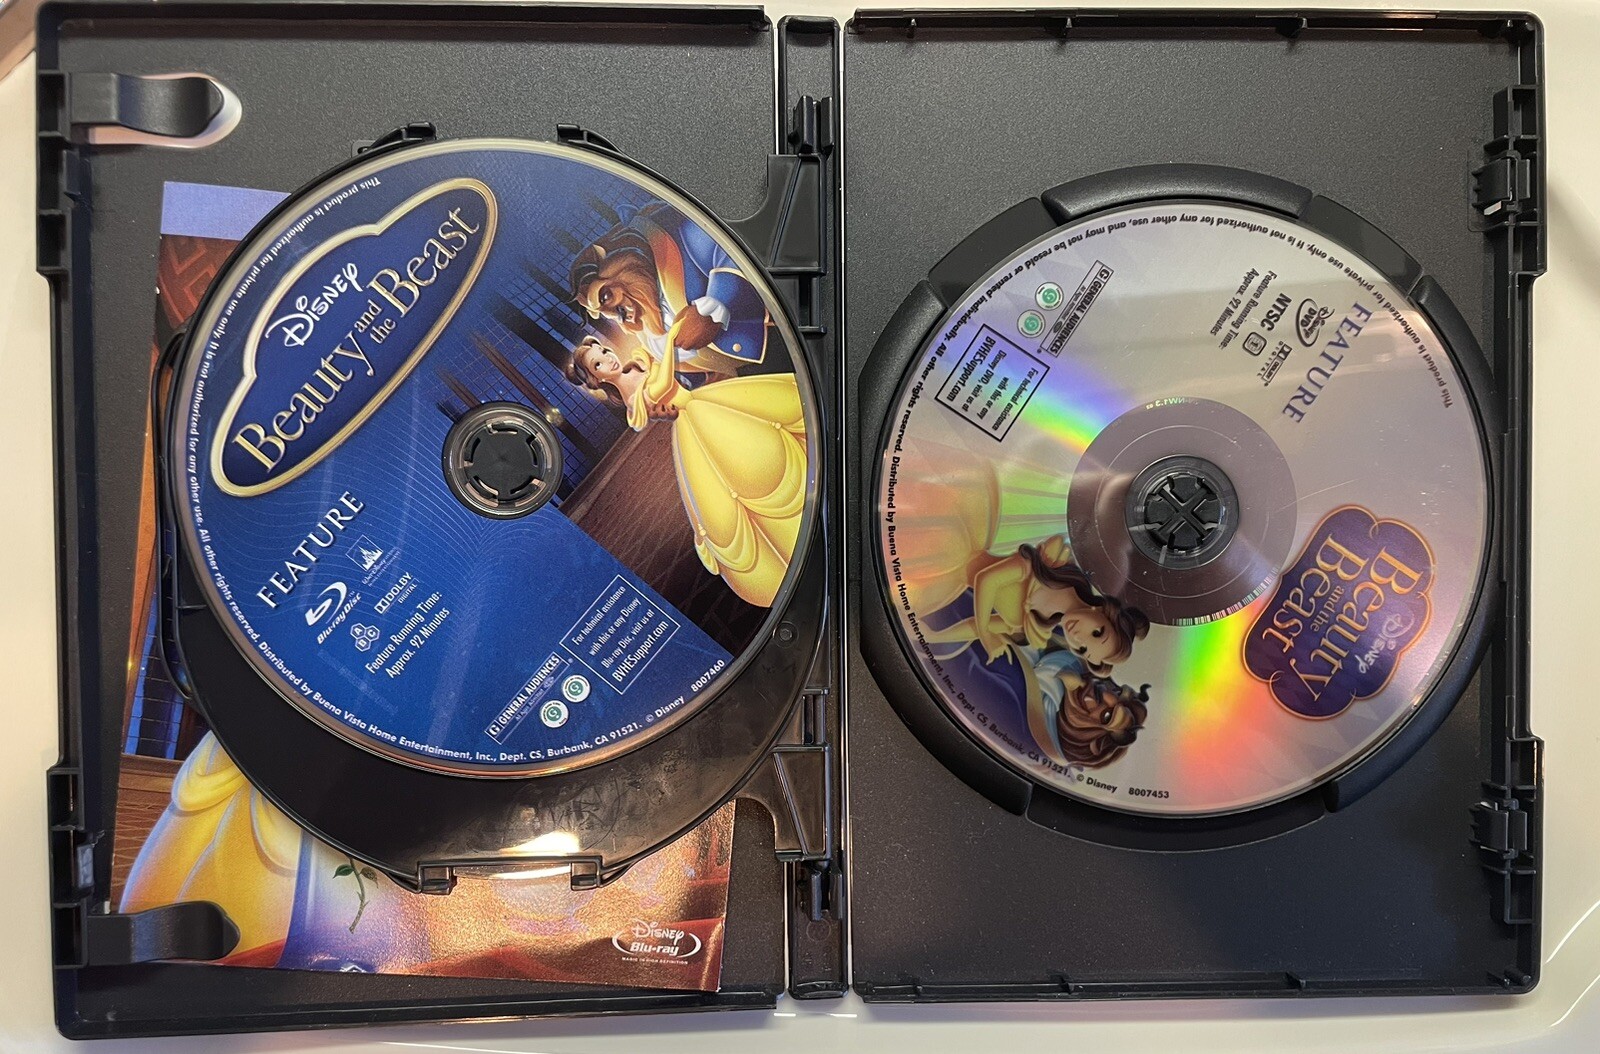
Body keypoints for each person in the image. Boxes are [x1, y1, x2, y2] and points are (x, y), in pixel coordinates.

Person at [564, 334, 806, 608]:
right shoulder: (632, 401)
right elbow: (663, 384)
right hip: (693, 423)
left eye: (605, 352)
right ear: (596, 380)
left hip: (705, 401)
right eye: (598, 364)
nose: (608, 359)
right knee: (735, 481)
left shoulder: (638, 364)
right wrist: (668, 345)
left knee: (768, 427)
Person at [569, 202, 771, 380]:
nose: (619, 316)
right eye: (605, 313)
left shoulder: (677, 232)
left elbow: (729, 247)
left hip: (774, 326)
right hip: (753, 375)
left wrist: (714, 307)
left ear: (620, 261)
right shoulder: (646, 334)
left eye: (606, 297)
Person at [1021, 645, 1150, 770]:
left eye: (1107, 716)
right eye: (1117, 691)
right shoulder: (1079, 663)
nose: (1106, 695)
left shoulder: (1034, 712)